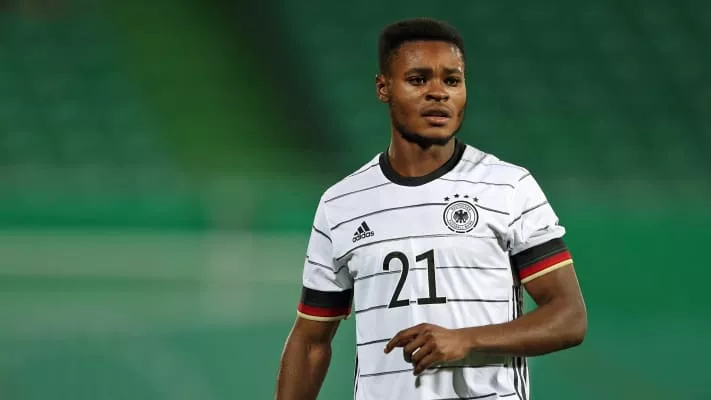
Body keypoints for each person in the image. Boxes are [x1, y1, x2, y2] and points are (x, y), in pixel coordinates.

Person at [275, 17, 587, 400]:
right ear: (383, 88)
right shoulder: (341, 204)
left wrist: (466, 340)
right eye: (419, 79)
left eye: (452, 81)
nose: (438, 93)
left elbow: (569, 317)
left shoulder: (508, 187)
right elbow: (310, 341)